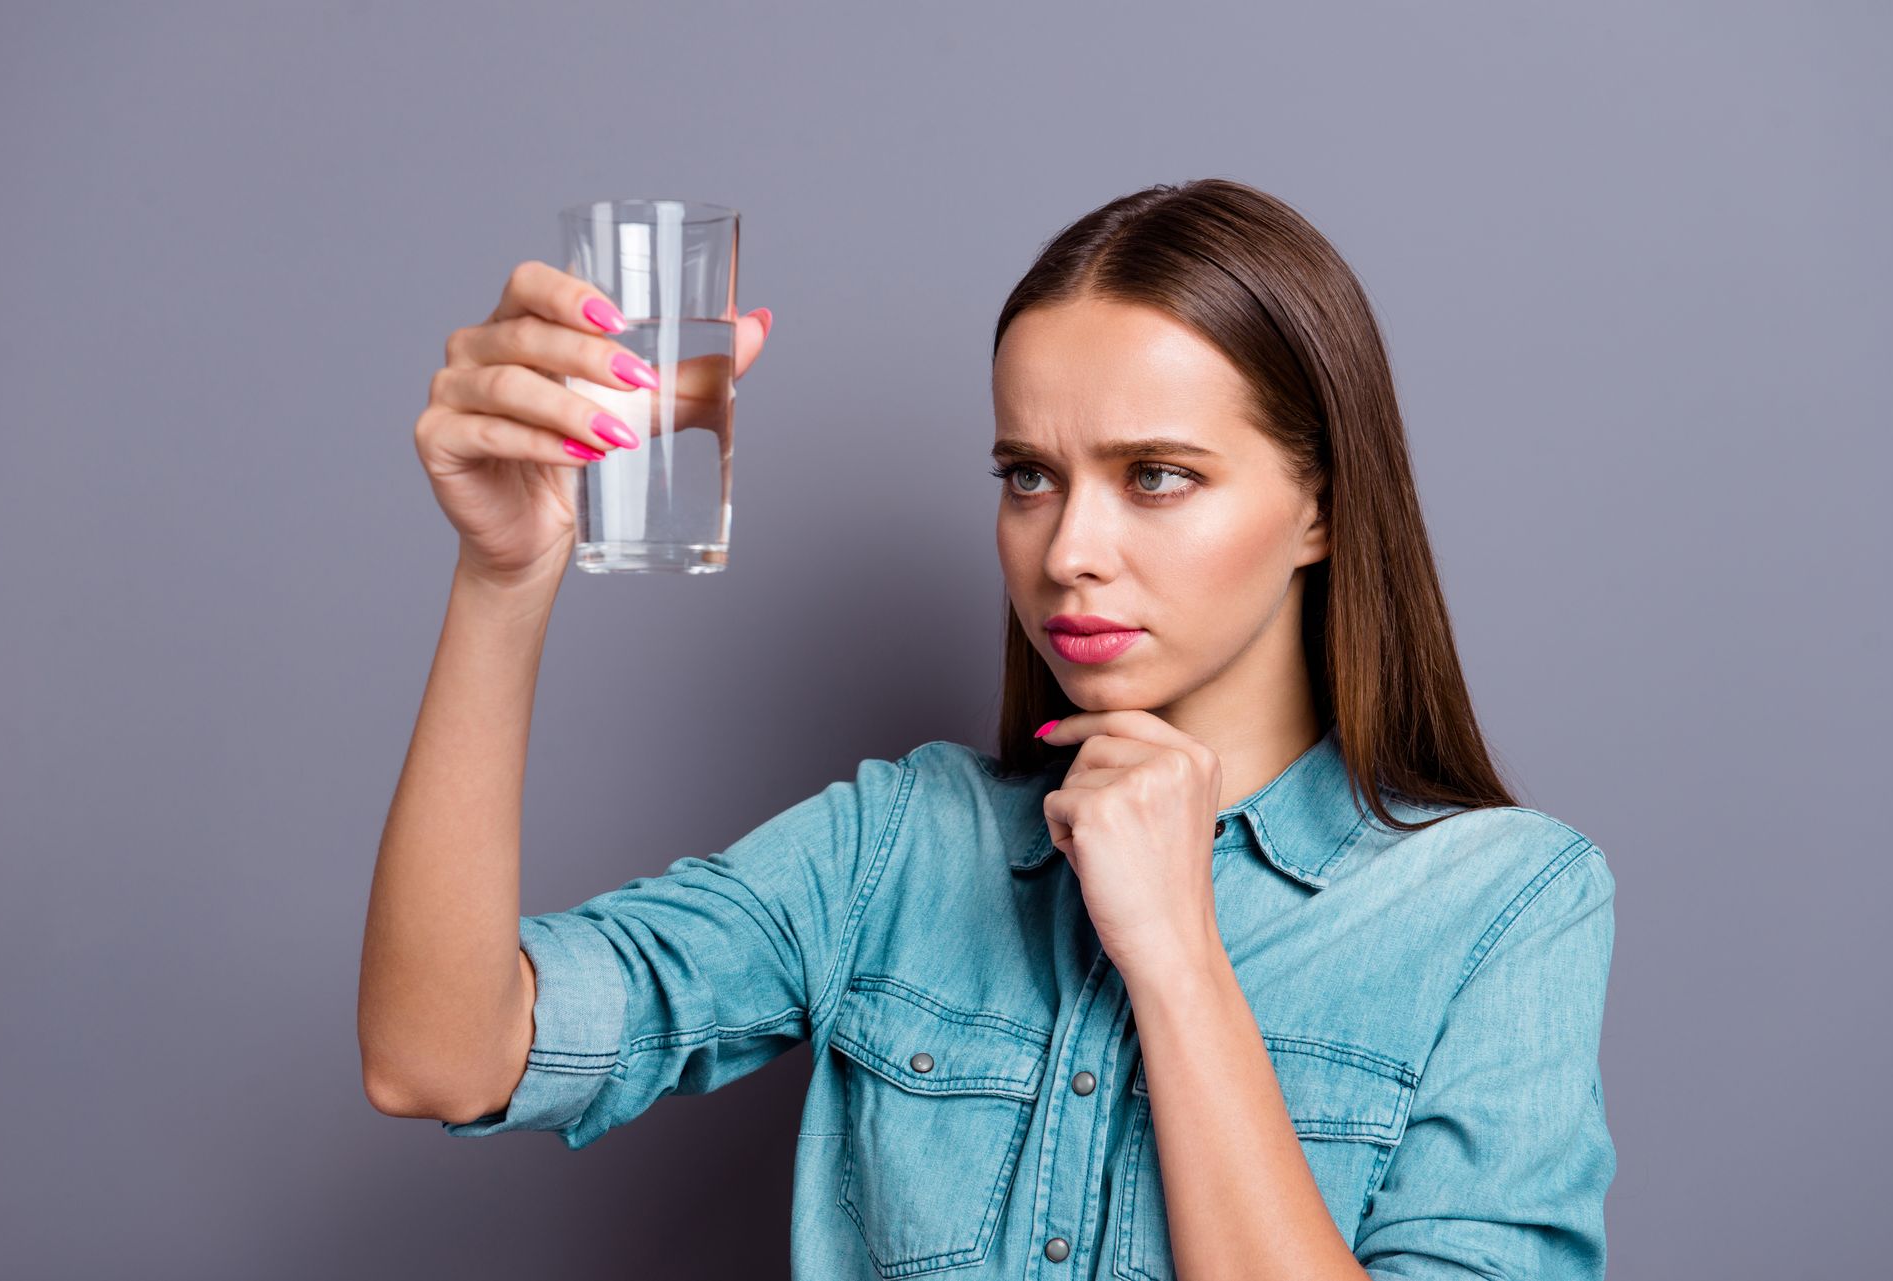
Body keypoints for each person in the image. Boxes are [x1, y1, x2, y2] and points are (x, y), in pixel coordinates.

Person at [358, 178, 1617, 1281]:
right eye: (1029, 475)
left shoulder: (1502, 904)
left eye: (1157, 476)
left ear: (1320, 512)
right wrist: (503, 578)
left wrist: (1177, 958)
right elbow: (443, 1059)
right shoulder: (901, 843)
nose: (1068, 552)